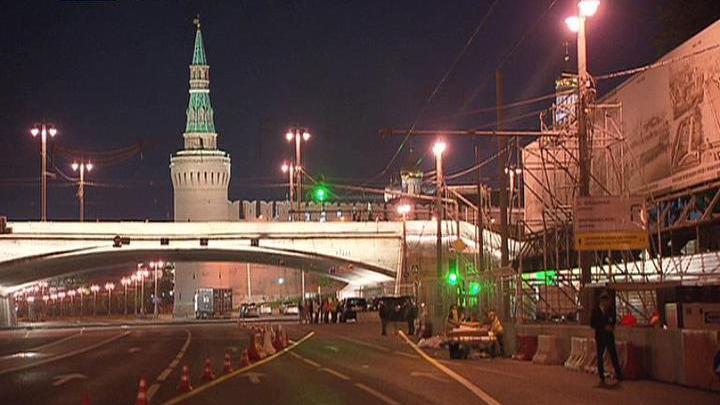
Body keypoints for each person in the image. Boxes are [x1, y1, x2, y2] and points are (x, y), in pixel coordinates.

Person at [590, 293, 623, 384]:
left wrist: (611, 326)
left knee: (613, 355)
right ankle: (601, 376)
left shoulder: (610, 311)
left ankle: (619, 374)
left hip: (609, 335)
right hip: (600, 336)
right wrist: (603, 326)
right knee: (600, 356)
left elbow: (613, 320)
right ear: (601, 301)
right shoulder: (595, 311)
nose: (607, 303)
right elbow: (592, 324)